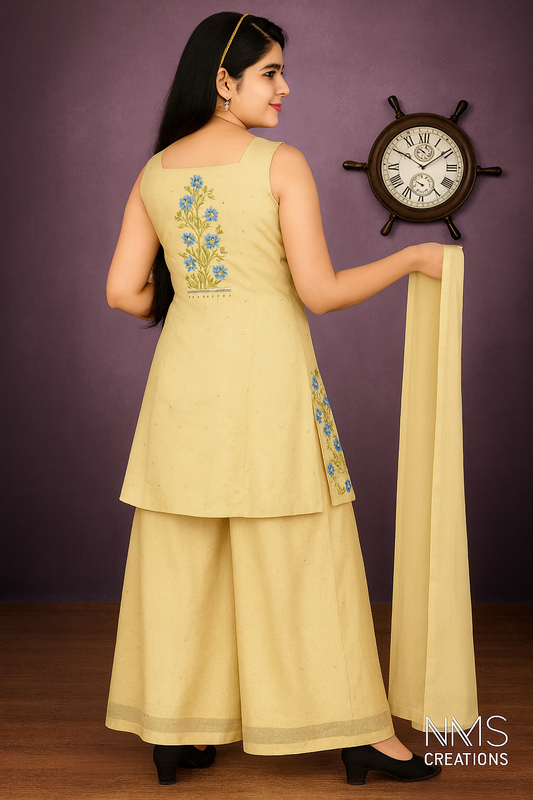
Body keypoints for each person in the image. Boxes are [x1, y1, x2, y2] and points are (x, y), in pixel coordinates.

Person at [105, 11, 444, 788]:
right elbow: (319, 293)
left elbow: (123, 292)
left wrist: (194, 294)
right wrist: (411, 258)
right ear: (224, 82)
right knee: (302, 557)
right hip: (269, 386)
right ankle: (358, 737)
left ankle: (175, 733)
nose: (285, 87)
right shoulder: (278, 163)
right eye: (270, 73)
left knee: (184, 558)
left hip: (183, 388)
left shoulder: (155, 172)